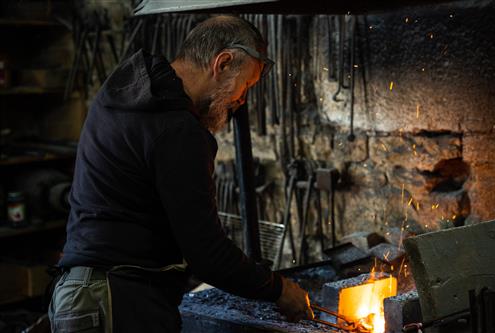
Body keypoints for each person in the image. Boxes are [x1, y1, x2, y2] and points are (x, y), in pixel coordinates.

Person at [48, 15, 314, 333]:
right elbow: (207, 253)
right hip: (117, 300)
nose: (241, 100)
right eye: (245, 85)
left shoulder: (128, 93)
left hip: (85, 294)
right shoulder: (175, 129)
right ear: (223, 63)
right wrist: (279, 289)